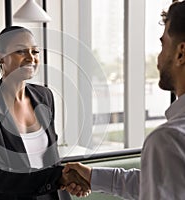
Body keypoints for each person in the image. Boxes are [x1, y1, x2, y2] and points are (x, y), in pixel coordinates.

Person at [63, 1, 185, 199]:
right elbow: (166, 182)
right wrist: (94, 177)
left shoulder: (168, 141)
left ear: (181, 53)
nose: (159, 58)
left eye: (163, 45)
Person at [0, 26, 89, 200]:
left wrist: (66, 180)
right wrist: (59, 177)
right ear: (1, 56)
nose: (31, 58)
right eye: (21, 51)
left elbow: (51, 157)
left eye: (35, 51)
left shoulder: (45, 96)